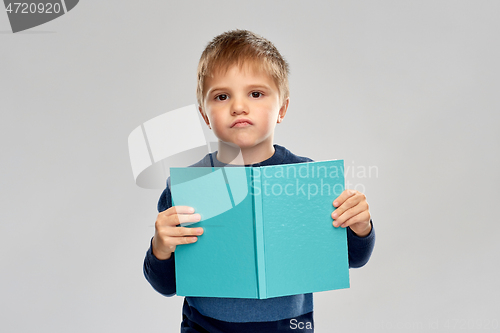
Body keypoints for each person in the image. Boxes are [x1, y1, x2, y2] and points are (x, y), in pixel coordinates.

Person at [143, 29, 375, 333]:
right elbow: (166, 284)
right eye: (222, 96)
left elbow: (352, 259)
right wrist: (160, 247)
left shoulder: (308, 179)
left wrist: (361, 228)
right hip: (205, 327)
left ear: (282, 108)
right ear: (204, 114)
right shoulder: (187, 188)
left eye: (256, 93)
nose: (239, 106)